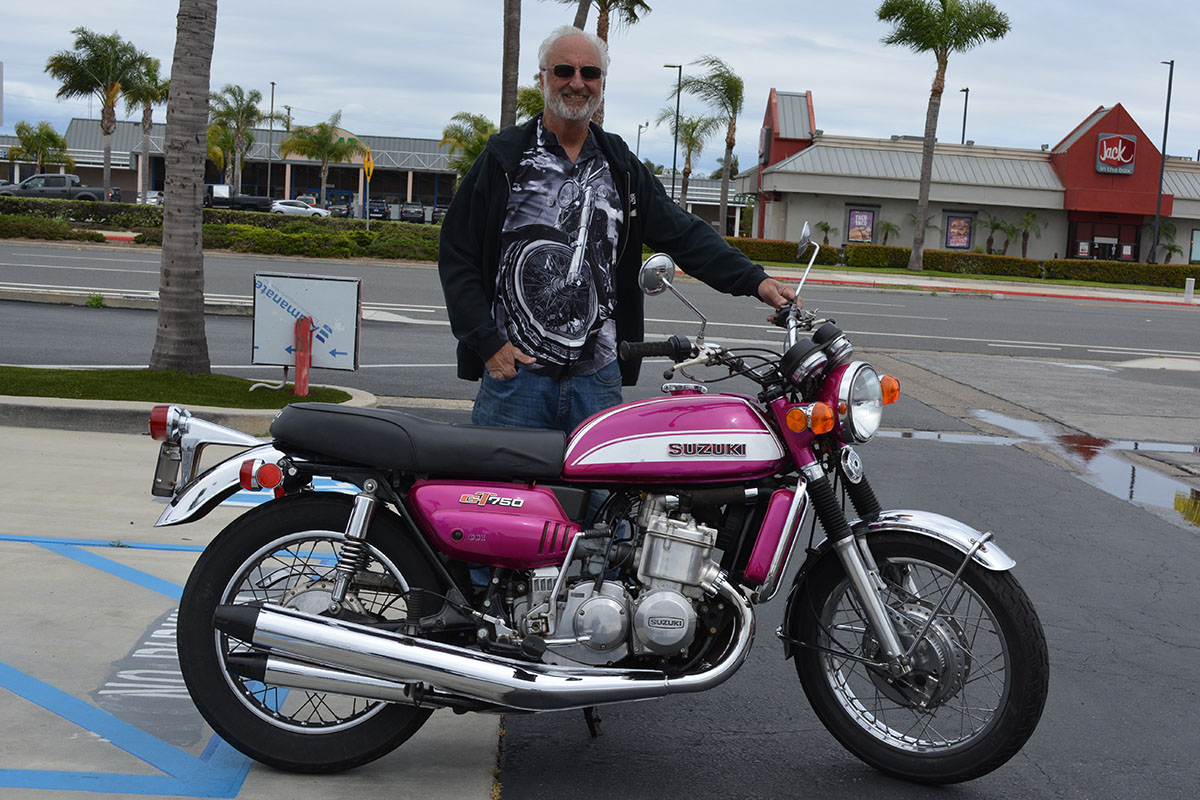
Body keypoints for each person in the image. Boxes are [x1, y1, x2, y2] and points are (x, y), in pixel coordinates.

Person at [438, 25, 795, 435]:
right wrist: (487, 344)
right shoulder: (505, 158)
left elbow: (683, 233)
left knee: (604, 481)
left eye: (590, 73)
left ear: (602, 83)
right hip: (517, 378)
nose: (577, 82)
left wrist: (756, 281)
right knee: (510, 479)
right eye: (564, 70)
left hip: (597, 379)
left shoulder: (619, 165)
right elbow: (457, 253)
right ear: (543, 79)